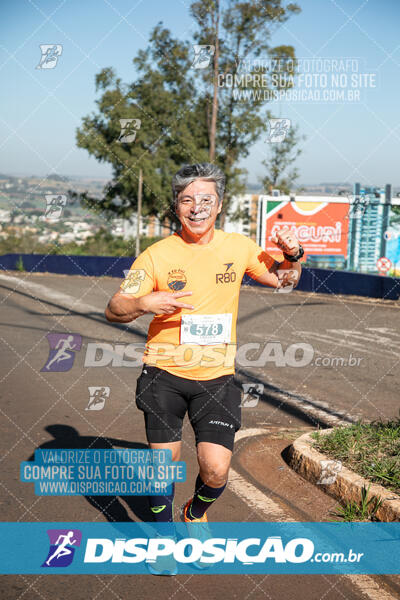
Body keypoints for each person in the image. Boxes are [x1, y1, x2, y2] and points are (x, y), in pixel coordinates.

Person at [105, 163, 303, 575]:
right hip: (164, 372)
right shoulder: (157, 255)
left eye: (205, 200)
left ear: (219, 205)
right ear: (177, 207)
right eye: (187, 200)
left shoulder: (238, 247)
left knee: (215, 469)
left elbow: (285, 281)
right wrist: (144, 303)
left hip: (216, 377)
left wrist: (293, 254)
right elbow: (115, 308)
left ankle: (194, 515)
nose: (196, 208)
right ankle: (160, 541)